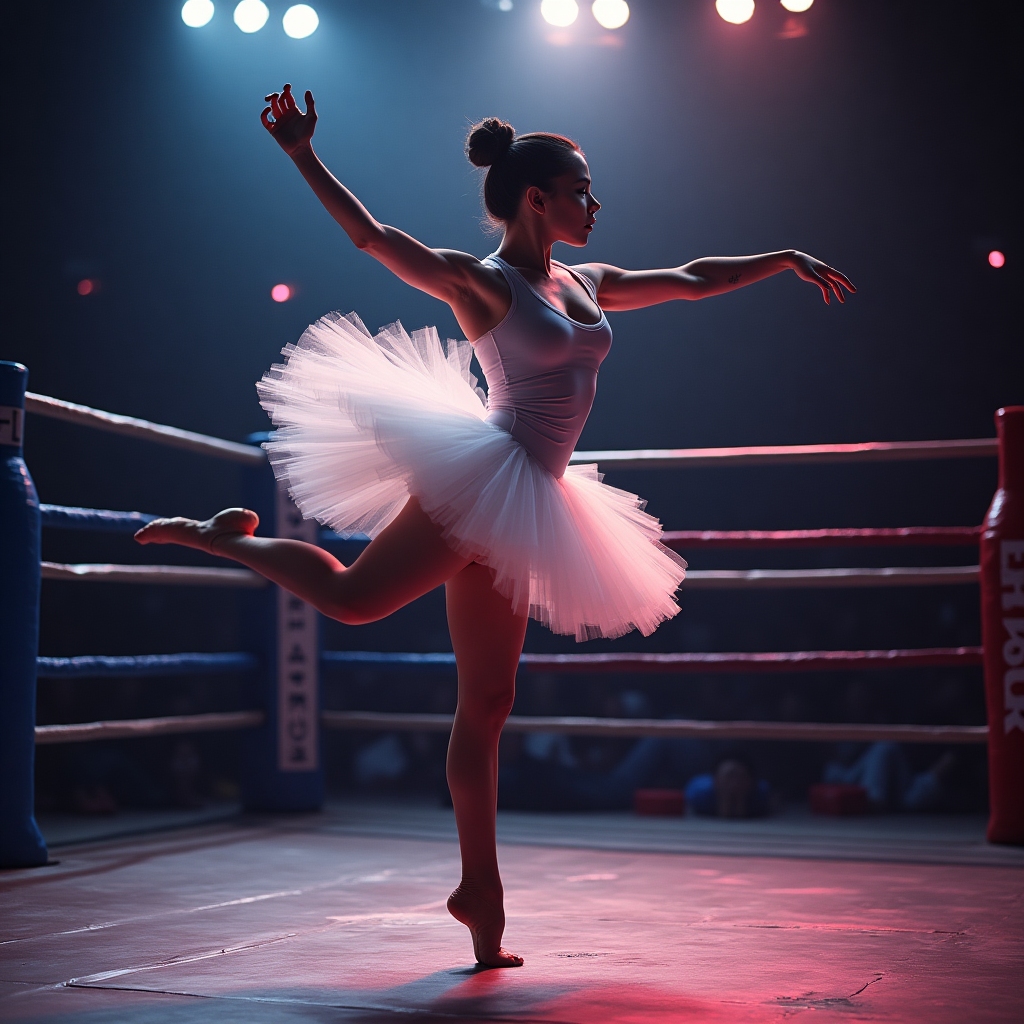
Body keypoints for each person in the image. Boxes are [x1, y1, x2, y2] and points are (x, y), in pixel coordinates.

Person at [135, 83, 855, 967]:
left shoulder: (589, 283)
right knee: (356, 603)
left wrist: (782, 256)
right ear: (535, 199)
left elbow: (697, 279)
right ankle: (225, 538)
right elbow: (373, 240)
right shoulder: (484, 283)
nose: (597, 203)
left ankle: (481, 894)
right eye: (583, 189)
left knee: (490, 703)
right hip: (483, 479)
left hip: (533, 502)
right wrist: (301, 154)